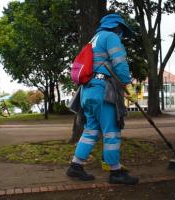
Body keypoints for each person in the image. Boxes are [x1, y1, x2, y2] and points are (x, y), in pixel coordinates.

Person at [66, 13, 139, 185]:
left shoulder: (94, 39)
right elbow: (120, 64)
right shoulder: (111, 37)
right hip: (103, 92)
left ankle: (75, 166)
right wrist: (128, 86)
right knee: (112, 131)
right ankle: (116, 172)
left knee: (91, 130)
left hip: (87, 92)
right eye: (121, 29)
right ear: (117, 27)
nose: (121, 33)